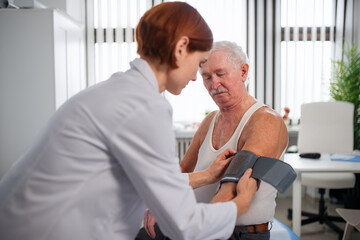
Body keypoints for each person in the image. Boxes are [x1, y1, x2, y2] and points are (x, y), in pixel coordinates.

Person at [0, 3, 258, 240]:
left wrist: (206, 175)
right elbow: (183, 224)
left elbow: (143, 175)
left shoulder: (121, 90)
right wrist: (239, 205)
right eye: (199, 64)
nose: (195, 78)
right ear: (181, 48)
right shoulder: (143, 105)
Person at [140, 41, 288, 240]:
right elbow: (184, 170)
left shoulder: (266, 121)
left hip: (237, 233)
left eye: (221, 74)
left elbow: (230, 189)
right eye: (207, 77)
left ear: (243, 72)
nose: (214, 85)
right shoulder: (210, 120)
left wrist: (192, 229)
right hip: (199, 223)